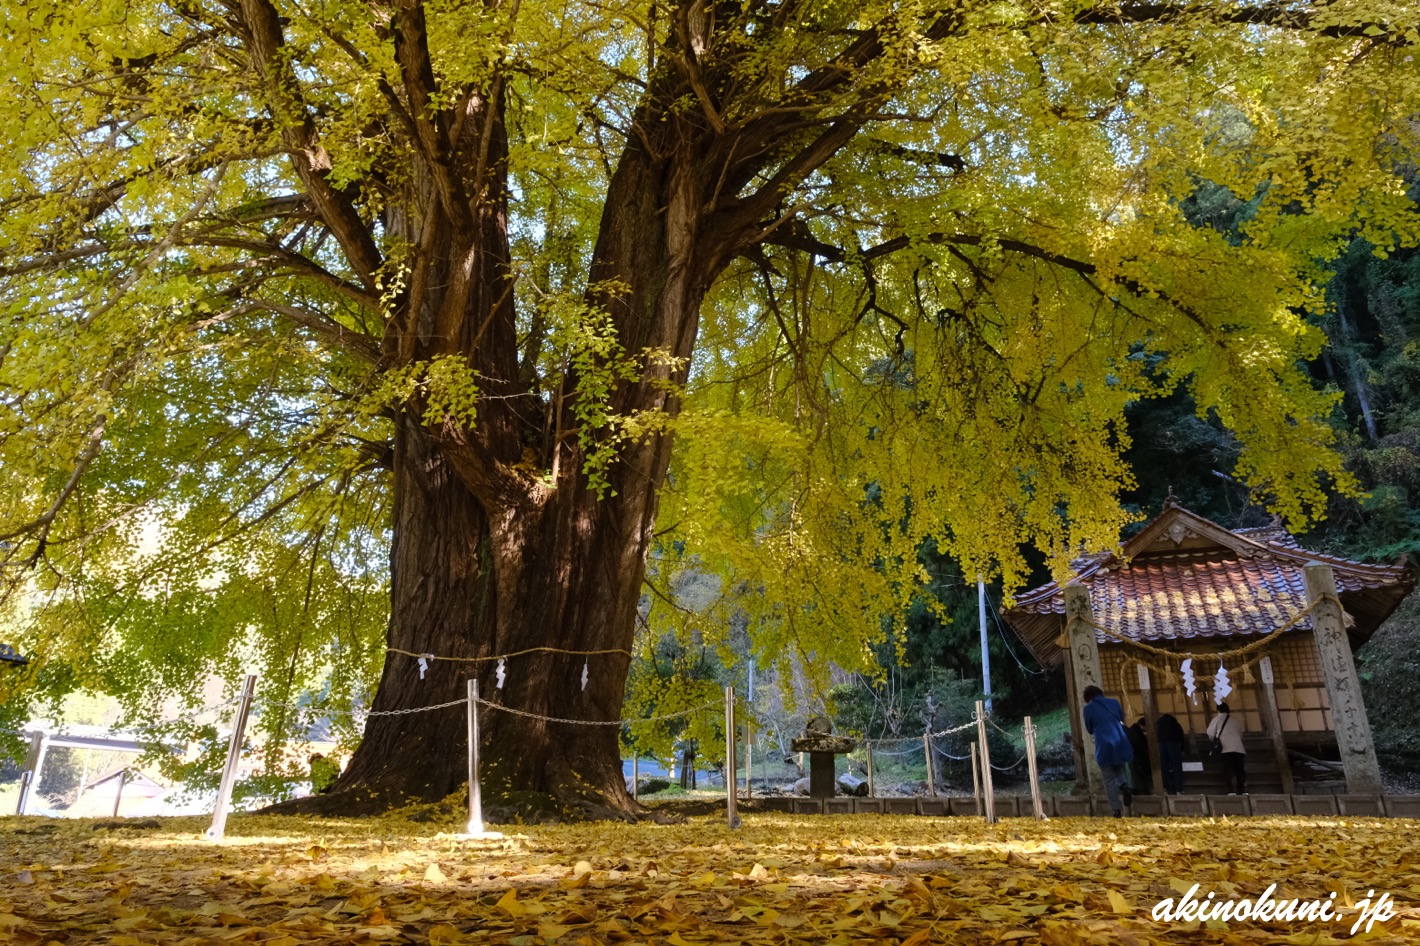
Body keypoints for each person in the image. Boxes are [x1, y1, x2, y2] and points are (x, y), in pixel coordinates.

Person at [1082, 685, 1134, 817]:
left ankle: (1116, 810)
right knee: (1118, 765)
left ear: (1088, 698)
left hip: (1103, 742)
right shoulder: (1114, 702)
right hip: (1119, 739)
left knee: (1108, 778)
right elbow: (1121, 718)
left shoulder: (1088, 709)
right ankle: (1124, 785)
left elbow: (1089, 728)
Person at [1207, 701, 1247, 794]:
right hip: (1238, 748)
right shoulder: (1235, 720)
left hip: (1225, 748)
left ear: (1218, 710)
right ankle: (1243, 789)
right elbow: (1240, 734)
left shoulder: (1216, 720)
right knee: (1239, 769)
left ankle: (1231, 790)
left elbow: (1210, 734)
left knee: (1228, 770)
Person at [1155, 712, 1186, 795]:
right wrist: (1182, 748)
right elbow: (1181, 736)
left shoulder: (1158, 723)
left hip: (1160, 744)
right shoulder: (1174, 723)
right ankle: (1179, 789)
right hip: (1173, 744)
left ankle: (1165, 788)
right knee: (1176, 767)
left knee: (1163, 767)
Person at [1126, 718, 1152, 794]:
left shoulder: (1133, 730)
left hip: (1133, 756)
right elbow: (1140, 744)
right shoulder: (1136, 732)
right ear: (1143, 725)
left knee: (1134, 777)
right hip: (1136, 756)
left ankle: (1137, 791)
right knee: (1139, 776)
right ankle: (1142, 792)